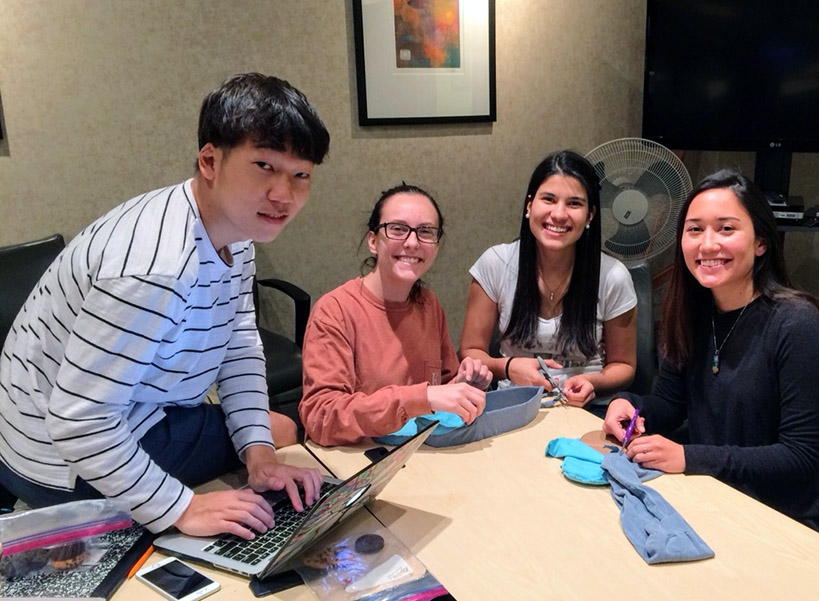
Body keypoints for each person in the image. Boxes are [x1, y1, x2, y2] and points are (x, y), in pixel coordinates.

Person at [0, 73, 330, 540]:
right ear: (210, 161)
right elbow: (79, 423)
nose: (284, 195)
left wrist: (259, 455)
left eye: (301, 175)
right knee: (282, 432)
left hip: (128, 412)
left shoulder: (236, 229)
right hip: (55, 461)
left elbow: (237, 343)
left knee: (267, 442)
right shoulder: (154, 267)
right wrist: (183, 508)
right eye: (263, 166)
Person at [602, 169, 819, 541]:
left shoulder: (797, 324)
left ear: (761, 242)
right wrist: (631, 406)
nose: (707, 244)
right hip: (719, 500)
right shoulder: (692, 310)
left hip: (795, 522)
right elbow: (670, 403)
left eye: (726, 229)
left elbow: (800, 457)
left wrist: (690, 458)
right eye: (695, 229)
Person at [300, 184, 491, 446]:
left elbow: (441, 385)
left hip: (423, 457)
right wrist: (421, 399)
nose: (412, 242)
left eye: (425, 232)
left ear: (436, 245)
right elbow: (321, 418)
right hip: (362, 462)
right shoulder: (335, 310)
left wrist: (462, 386)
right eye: (398, 229)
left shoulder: (428, 304)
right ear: (373, 241)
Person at [459, 150, 637, 407]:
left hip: (587, 409)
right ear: (529, 206)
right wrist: (508, 367)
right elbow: (471, 352)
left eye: (574, 203)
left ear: (590, 215)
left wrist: (592, 383)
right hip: (514, 403)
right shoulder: (495, 262)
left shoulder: (613, 275)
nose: (559, 214)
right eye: (549, 199)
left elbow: (624, 365)